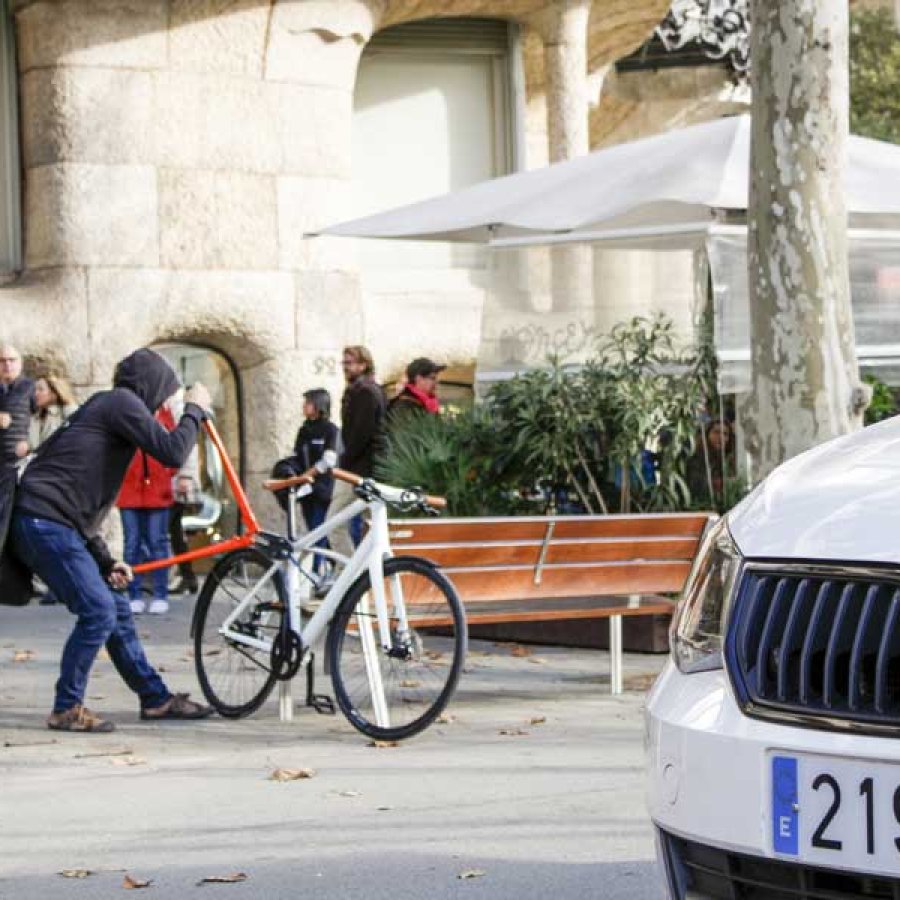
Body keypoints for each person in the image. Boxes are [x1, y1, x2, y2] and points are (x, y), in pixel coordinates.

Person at [9, 347, 214, 732]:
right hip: (43, 520)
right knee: (99, 611)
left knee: (115, 608)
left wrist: (104, 561)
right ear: (151, 385)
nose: (161, 404)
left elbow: (83, 504)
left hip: (52, 520)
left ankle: (155, 699)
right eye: (164, 392)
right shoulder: (121, 402)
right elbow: (172, 452)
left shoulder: (108, 410)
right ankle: (66, 707)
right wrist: (195, 409)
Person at [116, 404, 180, 616]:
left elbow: (175, 445)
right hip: (130, 488)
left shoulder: (165, 414)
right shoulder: (126, 410)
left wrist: (167, 472)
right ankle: (134, 594)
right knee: (132, 544)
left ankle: (160, 594)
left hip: (157, 489)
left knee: (157, 543)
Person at [324, 346, 385, 562]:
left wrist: (343, 465)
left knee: (333, 523)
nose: (345, 367)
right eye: (344, 363)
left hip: (356, 471)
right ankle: (367, 573)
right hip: (367, 470)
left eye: (349, 362)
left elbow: (361, 434)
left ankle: (351, 573)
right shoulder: (366, 390)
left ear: (363, 364)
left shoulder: (365, 392)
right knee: (371, 526)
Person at [293, 389, 339, 573]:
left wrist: (310, 474)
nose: (304, 406)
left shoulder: (330, 430)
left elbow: (329, 459)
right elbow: (297, 455)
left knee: (319, 529)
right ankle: (332, 563)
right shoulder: (304, 430)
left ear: (319, 405)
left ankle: (317, 569)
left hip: (322, 488)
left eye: (308, 402)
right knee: (313, 529)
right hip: (305, 488)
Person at [0, 344, 35, 469]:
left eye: (12, 360)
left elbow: (45, 419)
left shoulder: (32, 387)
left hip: (20, 459)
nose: (7, 365)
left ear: (20, 363)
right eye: (2, 360)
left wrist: (30, 443)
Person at [28, 374, 78, 452]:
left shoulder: (68, 412)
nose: (35, 393)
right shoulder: (34, 418)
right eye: (35, 390)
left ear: (54, 393)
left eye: (41, 389)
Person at [387, 357, 445, 425]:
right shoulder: (404, 407)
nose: (436, 382)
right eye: (432, 378)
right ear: (418, 379)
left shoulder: (427, 403)